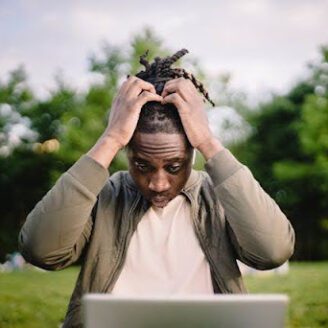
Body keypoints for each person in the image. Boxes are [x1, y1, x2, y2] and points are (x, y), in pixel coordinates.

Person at [18, 49, 295, 327]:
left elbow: (272, 251)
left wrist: (209, 141)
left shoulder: (222, 196)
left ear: (192, 154)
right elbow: (41, 250)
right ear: (127, 153)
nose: (158, 183)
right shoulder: (103, 195)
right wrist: (110, 138)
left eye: (174, 167)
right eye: (142, 165)